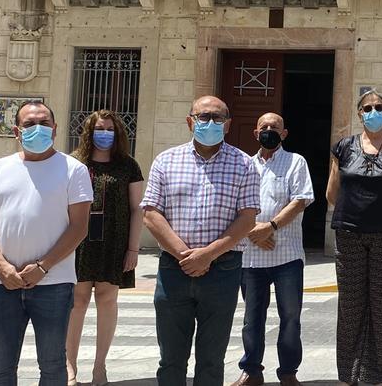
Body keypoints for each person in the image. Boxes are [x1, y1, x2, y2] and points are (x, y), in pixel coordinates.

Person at [0, 101, 94, 386]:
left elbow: (79, 227)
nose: (37, 128)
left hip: (54, 284)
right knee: (1, 367)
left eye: (43, 123)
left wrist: (43, 267)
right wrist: (2, 267)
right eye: (29, 124)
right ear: (16, 131)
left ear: (55, 129)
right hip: (5, 284)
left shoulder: (73, 169)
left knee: (52, 367)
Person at [142, 96, 260, 386]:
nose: (210, 123)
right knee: (170, 357)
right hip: (174, 268)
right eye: (203, 116)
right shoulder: (166, 160)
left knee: (211, 358)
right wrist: (186, 255)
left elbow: (247, 219)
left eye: (217, 118)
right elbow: (151, 214)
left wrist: (207, 255)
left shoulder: (244, 164)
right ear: (189, 121)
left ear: (228, 124)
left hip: (223, 270)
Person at [326, 89, 382, 386]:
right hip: (350, 234)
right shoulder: (343, 147)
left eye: (379, 107)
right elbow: (332, 193)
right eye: (367, 108)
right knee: (350, 307)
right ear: (359, 113)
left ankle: (378, 378)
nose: (373, 112)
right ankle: (348, 376)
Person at [231, 113, 315, 386]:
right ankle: (251, 371)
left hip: (287, 255)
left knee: (290, 317)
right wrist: (254, 231)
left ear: (285, 133)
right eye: (264, 127)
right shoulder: (243, 164)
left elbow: (301, 200)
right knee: (251, 318)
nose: (269, 131)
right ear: (255, 133)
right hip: (251, 257)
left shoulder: (295, 162)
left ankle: (288, 372)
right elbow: (234, 203)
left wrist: (271, 227)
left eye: (275, 127)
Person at [65, 110, 144, 386]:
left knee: (107, 301)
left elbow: (137, 209)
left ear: (118, 133)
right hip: (79, 241)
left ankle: (100, 367)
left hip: (115, 241)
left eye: (110, 129)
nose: (105, 134)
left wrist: (133, 249)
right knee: (77, 302)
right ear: (89, 131)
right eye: (100, 128)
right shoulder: (74, 162)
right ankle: (69, 367)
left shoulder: (128, 166)